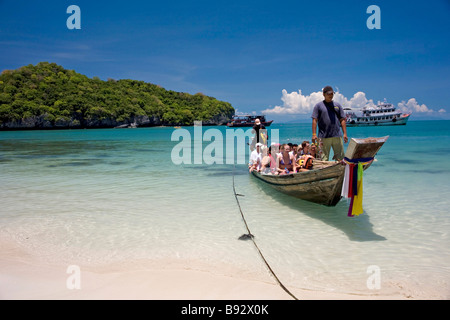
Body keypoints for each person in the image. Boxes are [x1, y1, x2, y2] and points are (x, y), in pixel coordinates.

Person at [311, 86, 348, 161]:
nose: (331, 95)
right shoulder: (318, 106)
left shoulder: (337, 105)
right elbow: (315, 120)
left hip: (337, 135)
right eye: (328, 94)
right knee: (322, 159)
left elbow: (342, 120)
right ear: (323, 94)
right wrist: (314, 134)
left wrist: (345, 134)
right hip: (323, 137)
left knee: (340, 158)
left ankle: (339, 172)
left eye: (332, 93)